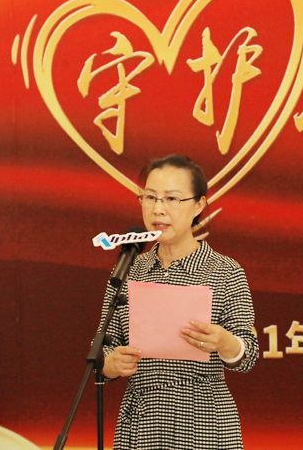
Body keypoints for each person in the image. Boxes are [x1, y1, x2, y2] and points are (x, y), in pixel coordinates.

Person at [99, 154, 259, 450]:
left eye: (171, 199)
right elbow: (102, 348)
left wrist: (224, 341)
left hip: (205, 420)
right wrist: (112, 363)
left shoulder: (225, 271)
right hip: (142, 419)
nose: (158, 209)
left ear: (198, 205)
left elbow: (247, 355)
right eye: (150, 197)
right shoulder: (129, 268)